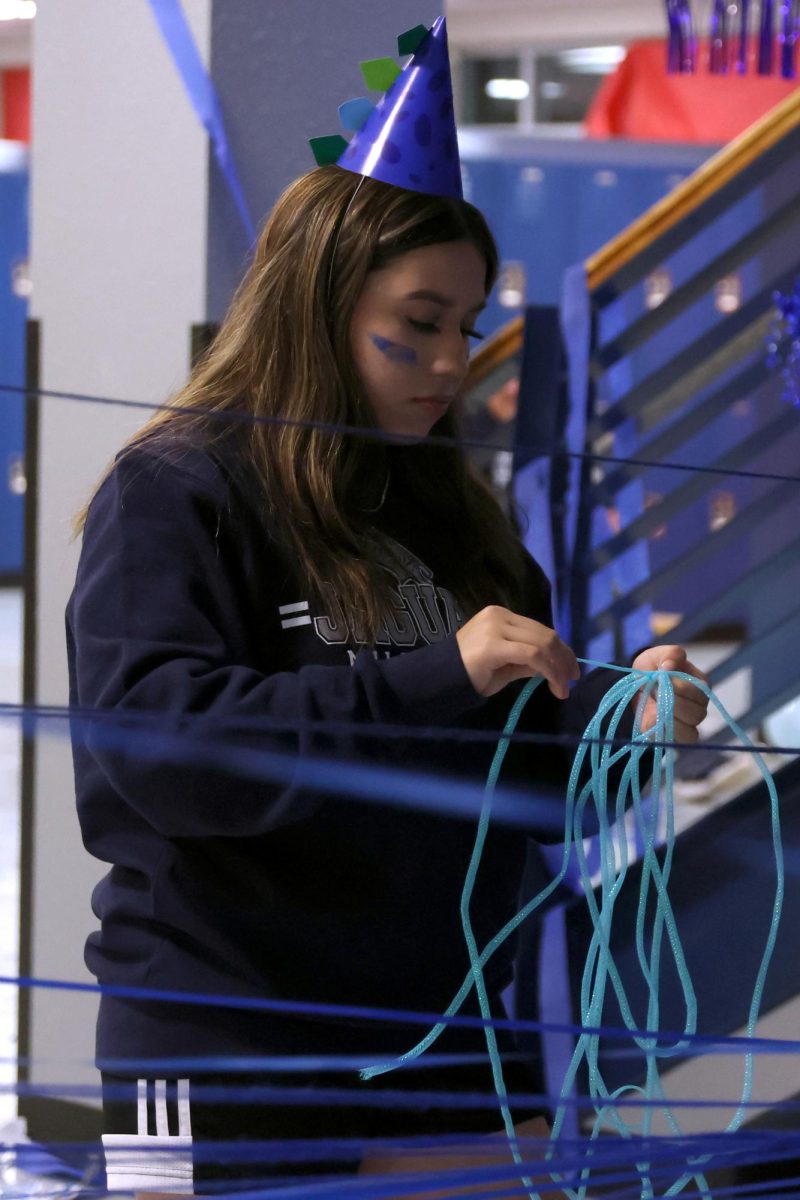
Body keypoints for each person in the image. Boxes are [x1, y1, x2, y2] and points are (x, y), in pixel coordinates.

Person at [68, 23, 709, 1198]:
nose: (450, 359)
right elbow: (159, 757)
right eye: (417, 323)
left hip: (442, 1043)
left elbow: (509, 790)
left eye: (464, 328)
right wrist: (439, 674)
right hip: (229, 1052)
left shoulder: (460, 525)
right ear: (317, 303)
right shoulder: (175, 491)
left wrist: (611, 734)